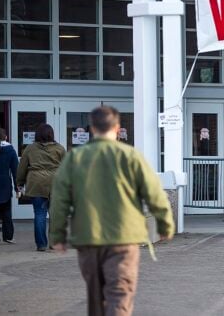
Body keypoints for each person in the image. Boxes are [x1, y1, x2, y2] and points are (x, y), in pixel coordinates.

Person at [49, 106, 175, 316]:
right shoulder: (130, 156)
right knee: (119, 295)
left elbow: (60, 200)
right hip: (123, 239)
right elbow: (154, 194)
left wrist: (57, 235)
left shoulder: (75, 158)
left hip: (88, 237)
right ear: (117, 128)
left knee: (96, 298)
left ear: (92, 128)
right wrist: (165, 225)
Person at [17, 124, 66, 252]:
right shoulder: (60, 149)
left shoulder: (30, 148)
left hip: (36, 183)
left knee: (39, 213)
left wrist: (19, 183)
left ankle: (41, 244)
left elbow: (22, 167)